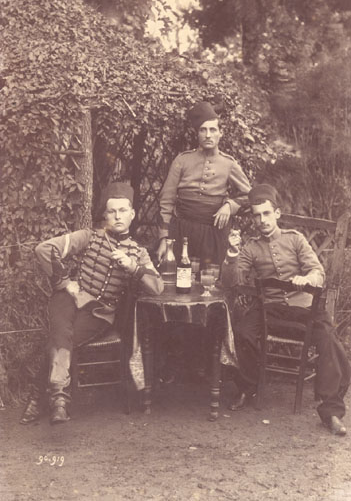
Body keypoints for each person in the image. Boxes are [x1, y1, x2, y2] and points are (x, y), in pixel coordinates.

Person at [20, 182, 163, 425]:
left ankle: (44, 398)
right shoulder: (89, 237)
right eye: (112, 211)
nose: (117, 216)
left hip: (99, 314)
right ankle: (58, 399)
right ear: (105, 215)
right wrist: (65, 282)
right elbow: (44, 249)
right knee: (62, 322)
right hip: (69, 299)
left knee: (60, 337)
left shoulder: (138, 252)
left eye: (122, 211)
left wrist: (133, 267)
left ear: (132, 214)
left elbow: (157, 288)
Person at [221, 183, 350, 436]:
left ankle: (331, 411)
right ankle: (249, 385)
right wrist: (232, 254)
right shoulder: (251, 247)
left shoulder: (295, 239)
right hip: (270, 309)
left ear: (277, 214)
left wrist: (308, 279)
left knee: (328, 340)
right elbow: (230, 282)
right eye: (257, 215)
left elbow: (318, 272)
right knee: (242, 332)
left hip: (305, 307)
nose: (262, 220)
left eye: (266, 214)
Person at [155, 101, 251, 266]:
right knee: (179, 278)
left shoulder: (229, 164)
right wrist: (164, 238)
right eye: (203, 130)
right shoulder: (182, 160)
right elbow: (166, 200)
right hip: (181, 231)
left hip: (214, 233)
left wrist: (230, 205)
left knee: (211, 281)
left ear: (221, 133)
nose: (208, 135)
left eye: (213, 130)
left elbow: (249, 195)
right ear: (197, 134)